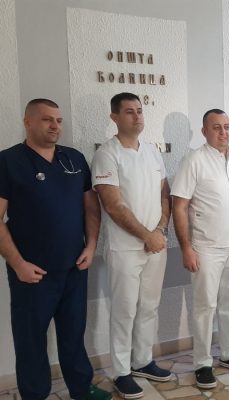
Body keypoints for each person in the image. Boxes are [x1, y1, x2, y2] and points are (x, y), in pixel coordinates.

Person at [0, 99, 111, 400]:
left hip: (74, 267)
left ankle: (81, 389)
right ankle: (35, 394)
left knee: (74, 334)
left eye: (59, 120)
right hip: (32, 273)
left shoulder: (73, 159)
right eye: (47, 119)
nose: (55, 126)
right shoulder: (8, 161)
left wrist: (91, 245)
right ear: (27, 122)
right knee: (31, 340)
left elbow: (91, 207)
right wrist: (18, 264)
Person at [92, 92, 172, 398]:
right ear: (114, 117)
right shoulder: (107, 154)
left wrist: (160, 230)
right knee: (124, 310)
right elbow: (113, 205)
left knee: (149, 306)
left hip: (156, 243)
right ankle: (121, 371)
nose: (137, 116)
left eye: (139, 110)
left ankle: (142, 360)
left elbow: (164, 194)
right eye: (129, 111)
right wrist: (147, 235)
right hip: (125, 248)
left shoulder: (151, 151)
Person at [171, 109, 229, 388]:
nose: (223, 132)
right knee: (205, 307)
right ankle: (203, 362)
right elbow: (179, 206)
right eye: (216, 127)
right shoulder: (193, 160)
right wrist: (186, 247)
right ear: (204, 131)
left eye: (227, 126)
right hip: (206, 247)